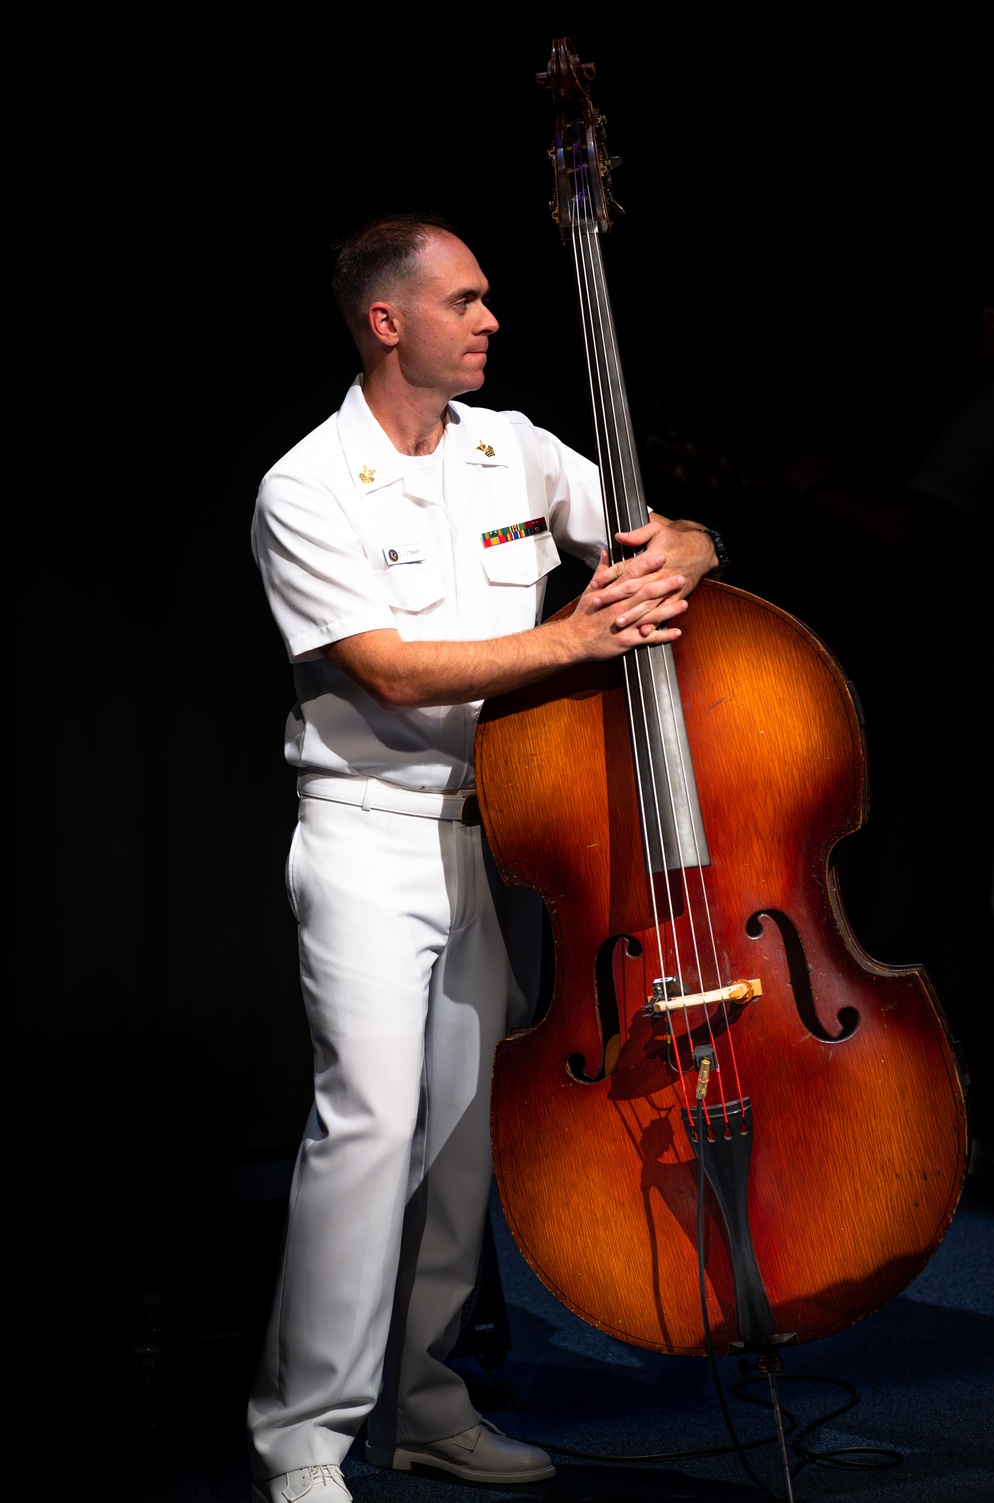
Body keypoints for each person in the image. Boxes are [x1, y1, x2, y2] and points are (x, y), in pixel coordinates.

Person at [248, 213, 719, 1503]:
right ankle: (301, 1438)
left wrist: (682, 550)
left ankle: (423, 1404)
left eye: (491, 299)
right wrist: (576, 642)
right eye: (465, 300)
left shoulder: (509, 449)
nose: (492, 319)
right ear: (387, 322)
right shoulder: (307, 485)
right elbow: (387, 672)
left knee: (462, 1142)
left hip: (496, 843)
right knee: (370, 1131)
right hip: (366, 838)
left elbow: (660, 529)